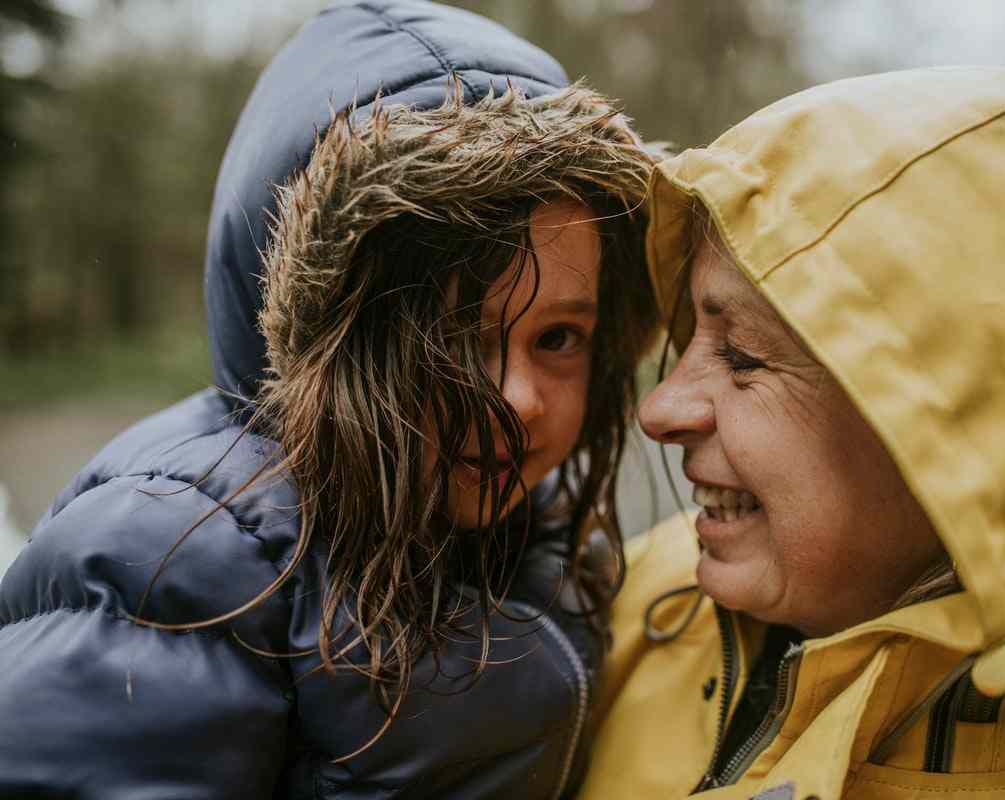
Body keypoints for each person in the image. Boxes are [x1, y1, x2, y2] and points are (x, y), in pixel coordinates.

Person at [0, 3, 658, 797]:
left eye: (557, 338)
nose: (517, 398)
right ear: (324, 334)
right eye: (449, 339)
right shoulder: (180, 558)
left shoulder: (536, 536)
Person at [578, 66, 1005, 799]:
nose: (661, 410)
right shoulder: (609, 602)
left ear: (973, 431)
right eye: (689, 338)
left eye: (742, 356)